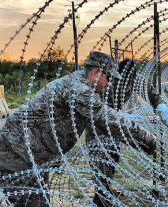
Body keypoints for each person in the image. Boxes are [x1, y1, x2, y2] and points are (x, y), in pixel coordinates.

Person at [0, 51, 157, 207]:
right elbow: (105, 117)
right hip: (17, 153)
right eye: (108, 78)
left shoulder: (83, 86)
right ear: (96, 72)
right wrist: (145, 137)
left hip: (32, 156)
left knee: (39, 202)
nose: (109, 84)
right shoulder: (77, 88)